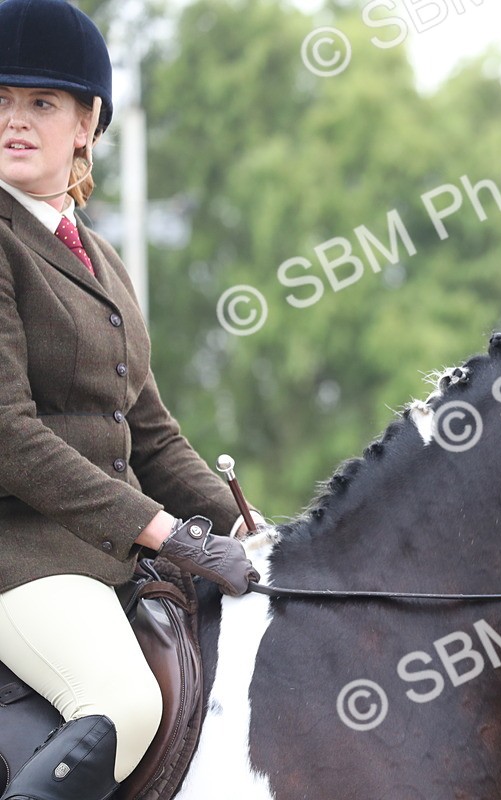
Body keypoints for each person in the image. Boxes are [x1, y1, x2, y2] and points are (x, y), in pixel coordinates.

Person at [0, 1, 261, 798]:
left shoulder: (101, 259)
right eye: (0, 101)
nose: (15, 121)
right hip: (21, 560)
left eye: (41, 103)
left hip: (102, 560)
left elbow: (148, 436)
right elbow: (8, 435)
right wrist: (163, 531)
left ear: (87, 122)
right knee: (121, 701)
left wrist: (252, 534)